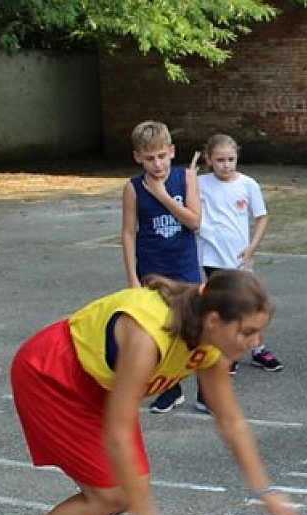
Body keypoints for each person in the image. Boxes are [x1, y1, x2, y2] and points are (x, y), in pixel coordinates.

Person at [0, 271, 297, 515]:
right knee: (114, 494)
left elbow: (231, 420)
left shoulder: (211, 344)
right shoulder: (148, 336)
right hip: (54, 376)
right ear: (213, 319)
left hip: (100, 384)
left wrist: (264, 490)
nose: (255, 343)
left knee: (129, 488)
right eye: (248, 332)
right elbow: (117, 433)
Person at [121, 120, 202, 414]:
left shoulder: (186, 177)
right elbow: (129, 233)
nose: (156, 165)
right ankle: (170, 389)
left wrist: (162, 196)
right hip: (152, 271)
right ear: (138, 158)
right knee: (158, 333)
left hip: (185, 269)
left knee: (195, 330)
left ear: (171, 151)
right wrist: (132, 277)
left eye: (161, 156)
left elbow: (194, 221)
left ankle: (206, 392)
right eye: (149, 158)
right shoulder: (132, 188)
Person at [195, 133, 282, 408]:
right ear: (209, 160)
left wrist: (251, 248)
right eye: (220, 160)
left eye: (231, 159)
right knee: (224, 308)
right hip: (212, 255)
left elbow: (262, 217)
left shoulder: (248, 184)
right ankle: (228, 351)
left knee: (249, 304)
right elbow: (192, 212)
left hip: (240, 257)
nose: (226, 165)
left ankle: (256, 347)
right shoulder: (200, 184)